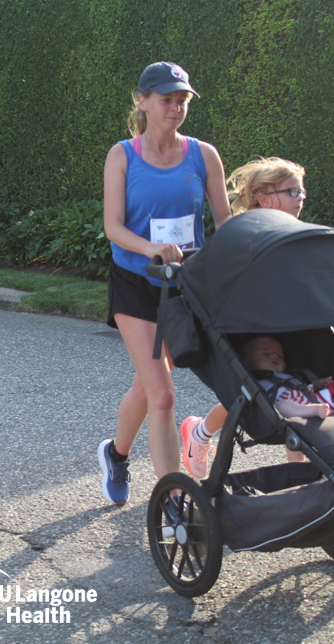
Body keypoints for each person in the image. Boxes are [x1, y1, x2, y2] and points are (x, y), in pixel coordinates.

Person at [97, 61, 231, 505]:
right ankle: (174, 501)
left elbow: (224, 221)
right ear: (143, 101)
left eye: (182, 100)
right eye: (166, 100)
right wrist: (151, 248)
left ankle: (116, 454)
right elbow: (113, 227)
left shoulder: (203, 154)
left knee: (147, 384)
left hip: (185, 286)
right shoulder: (122, 155)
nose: (175, 108)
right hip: (136, 284)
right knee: (163, 394)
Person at [181, 157, 313, 477]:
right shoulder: (246, 236)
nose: (300, 198)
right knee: (248, 394)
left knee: (297, 392)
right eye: (292, 191)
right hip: (249, 330)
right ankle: (200, 432)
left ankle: (299, 475)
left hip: (290, 326)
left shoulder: (298, 235)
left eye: (301, 191)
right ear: (264, 199)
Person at [242, 335, 334, 418]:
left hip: (315, 399)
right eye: (266, 354)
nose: (274, 357)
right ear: (247, 364)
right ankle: (313, 410)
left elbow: (305, 386)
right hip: (289, 404)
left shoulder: (290, 375)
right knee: (282, 406)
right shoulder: (254, 380)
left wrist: (320, 383)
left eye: (279, 355)